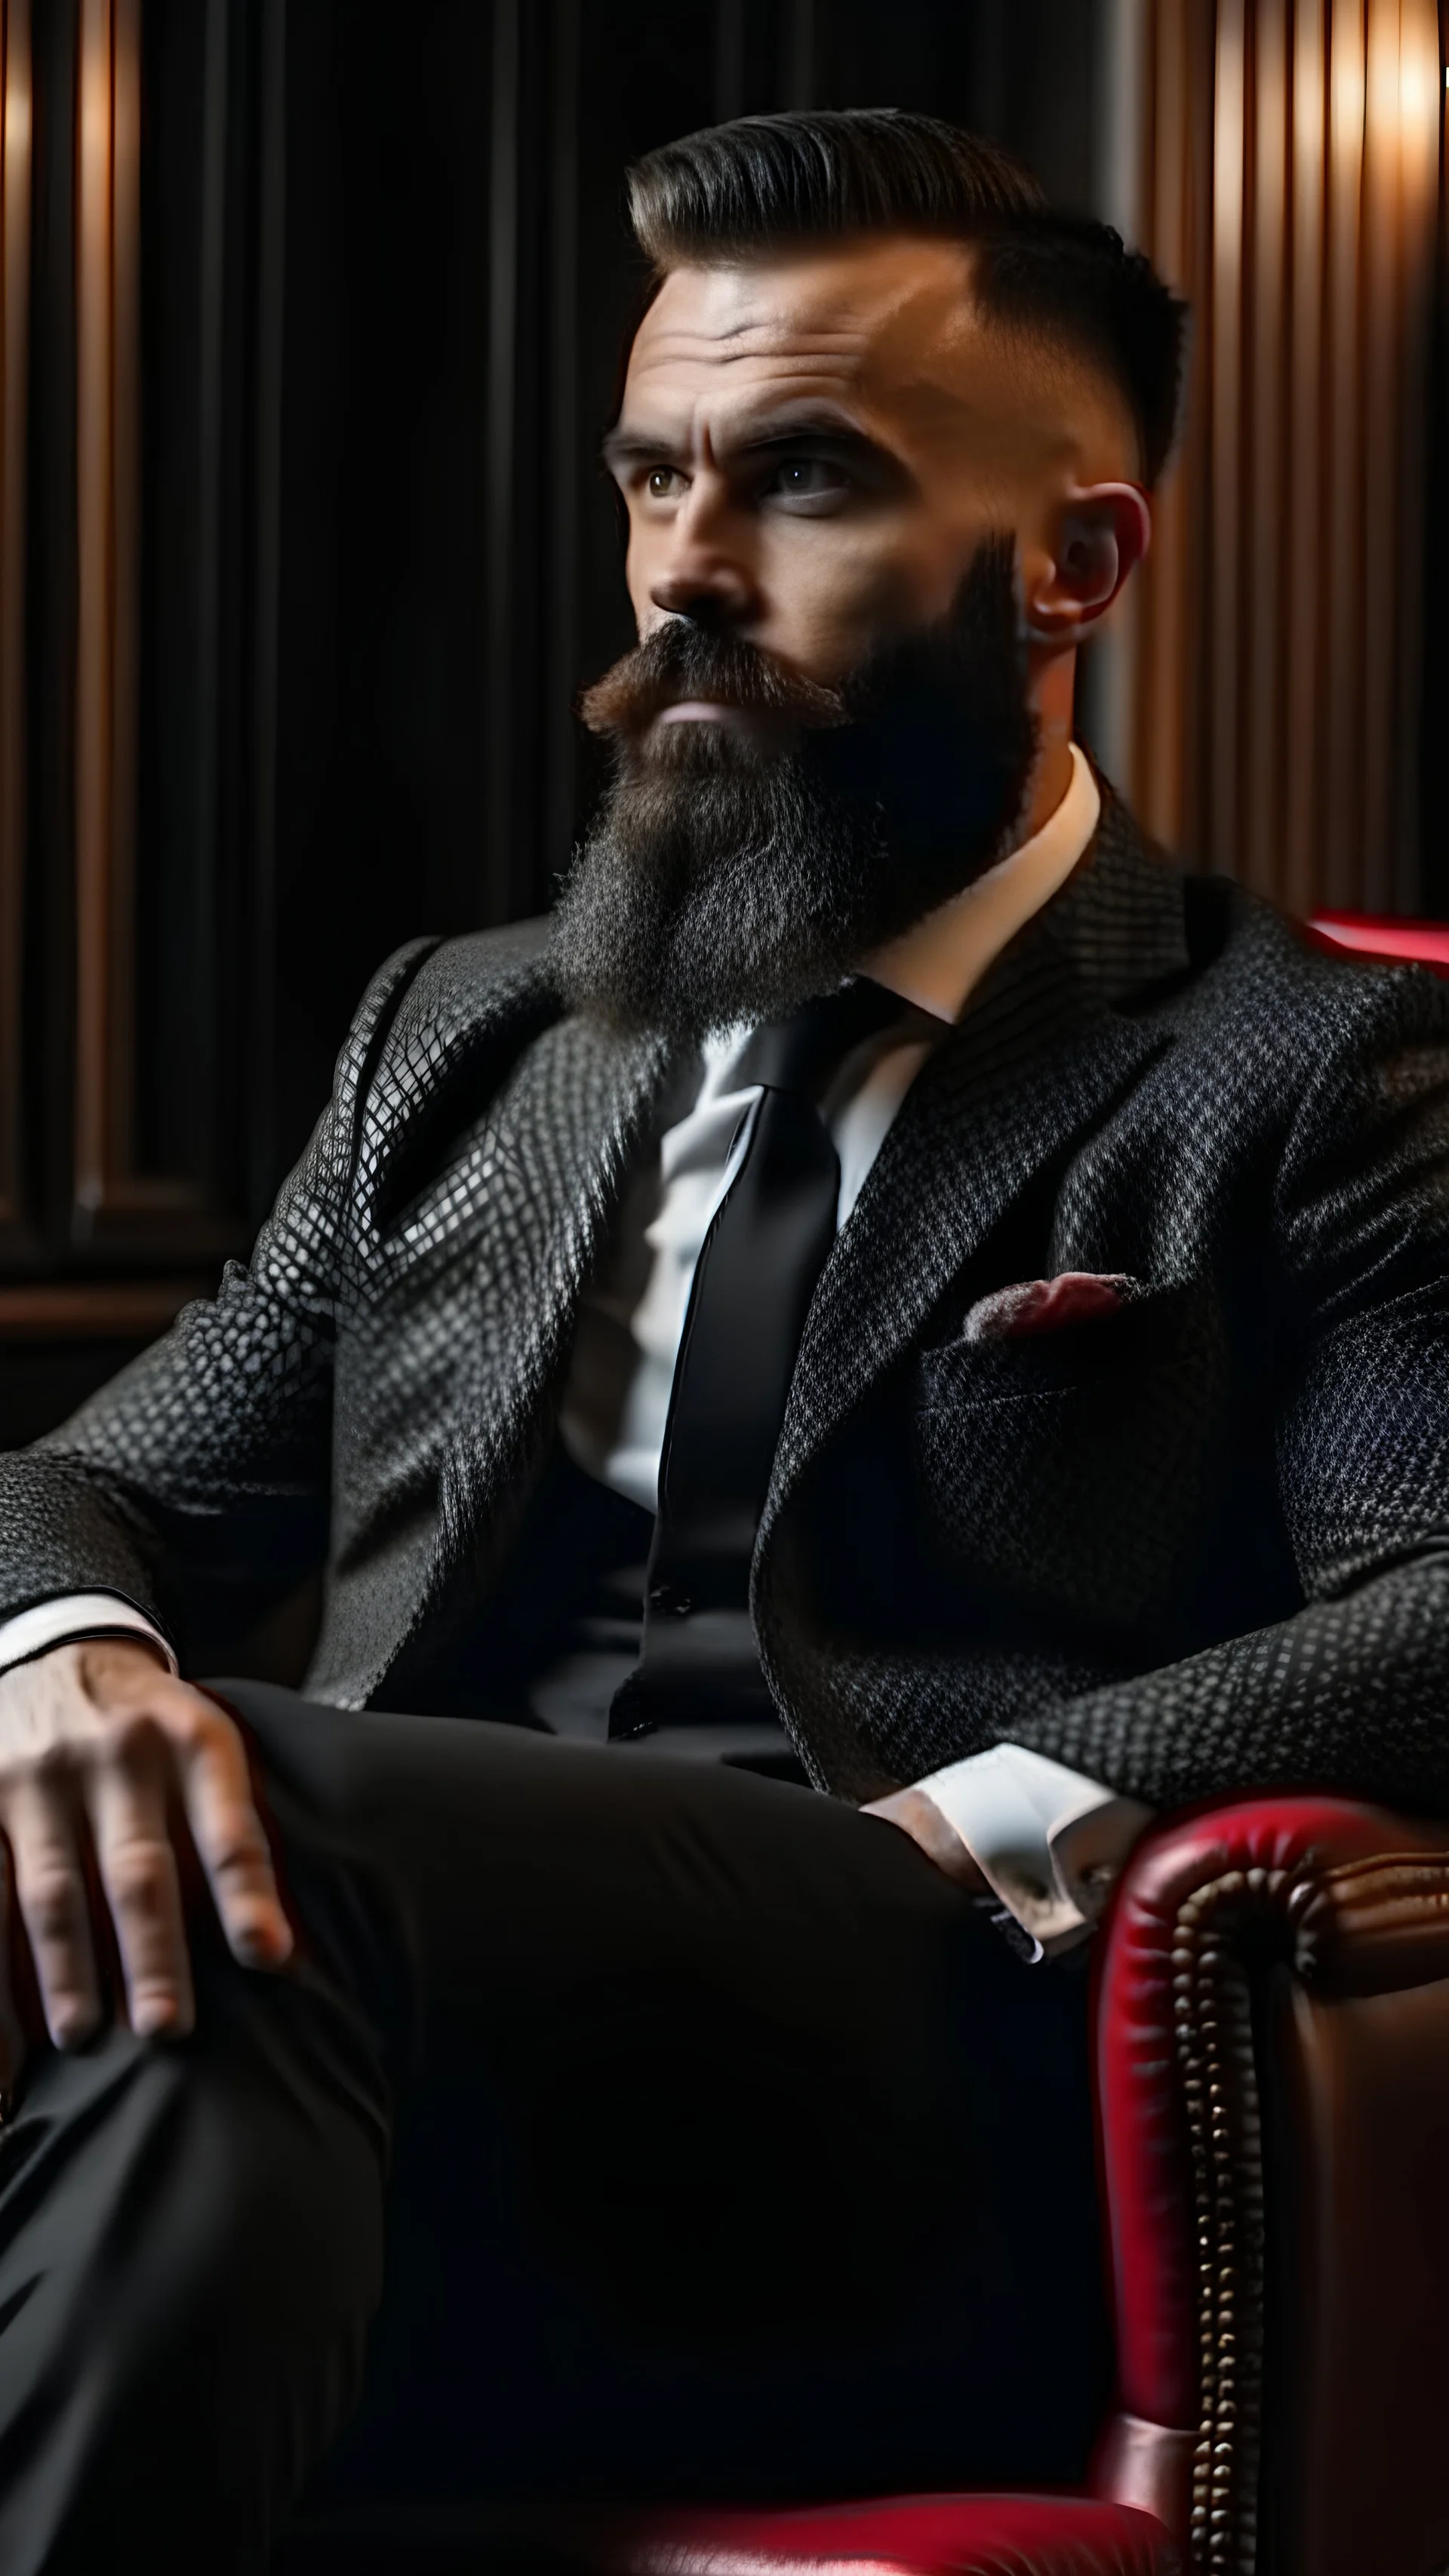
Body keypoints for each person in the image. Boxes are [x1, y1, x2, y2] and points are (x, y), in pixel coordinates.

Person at [0, 106, 1447, 2575]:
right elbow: (102, 1477)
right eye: (651, 475)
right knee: (204, 1970)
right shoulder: (467, 1037)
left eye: (801, 481)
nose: (684, 567)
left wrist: (964, 1835)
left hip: (896, 2119)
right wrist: (72, 1651)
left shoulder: (1301, 1070)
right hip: (389, 2095)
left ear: (1073, 560)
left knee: (258, 1824)